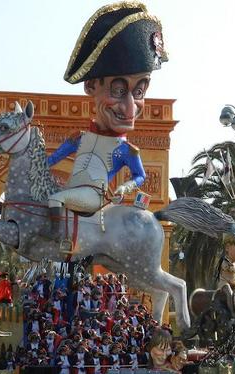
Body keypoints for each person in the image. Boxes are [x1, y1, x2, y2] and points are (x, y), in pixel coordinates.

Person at [47, 1, 168, 242]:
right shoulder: (79, 139)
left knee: (54, 200)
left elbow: (139, 176)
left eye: (139, 92)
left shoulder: (126, 150)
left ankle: (56, 240)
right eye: (118, 90)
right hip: (73, 189)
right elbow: (50, 160)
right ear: (91, 86)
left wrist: (125, 188)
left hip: (93, 195)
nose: (131, 108)